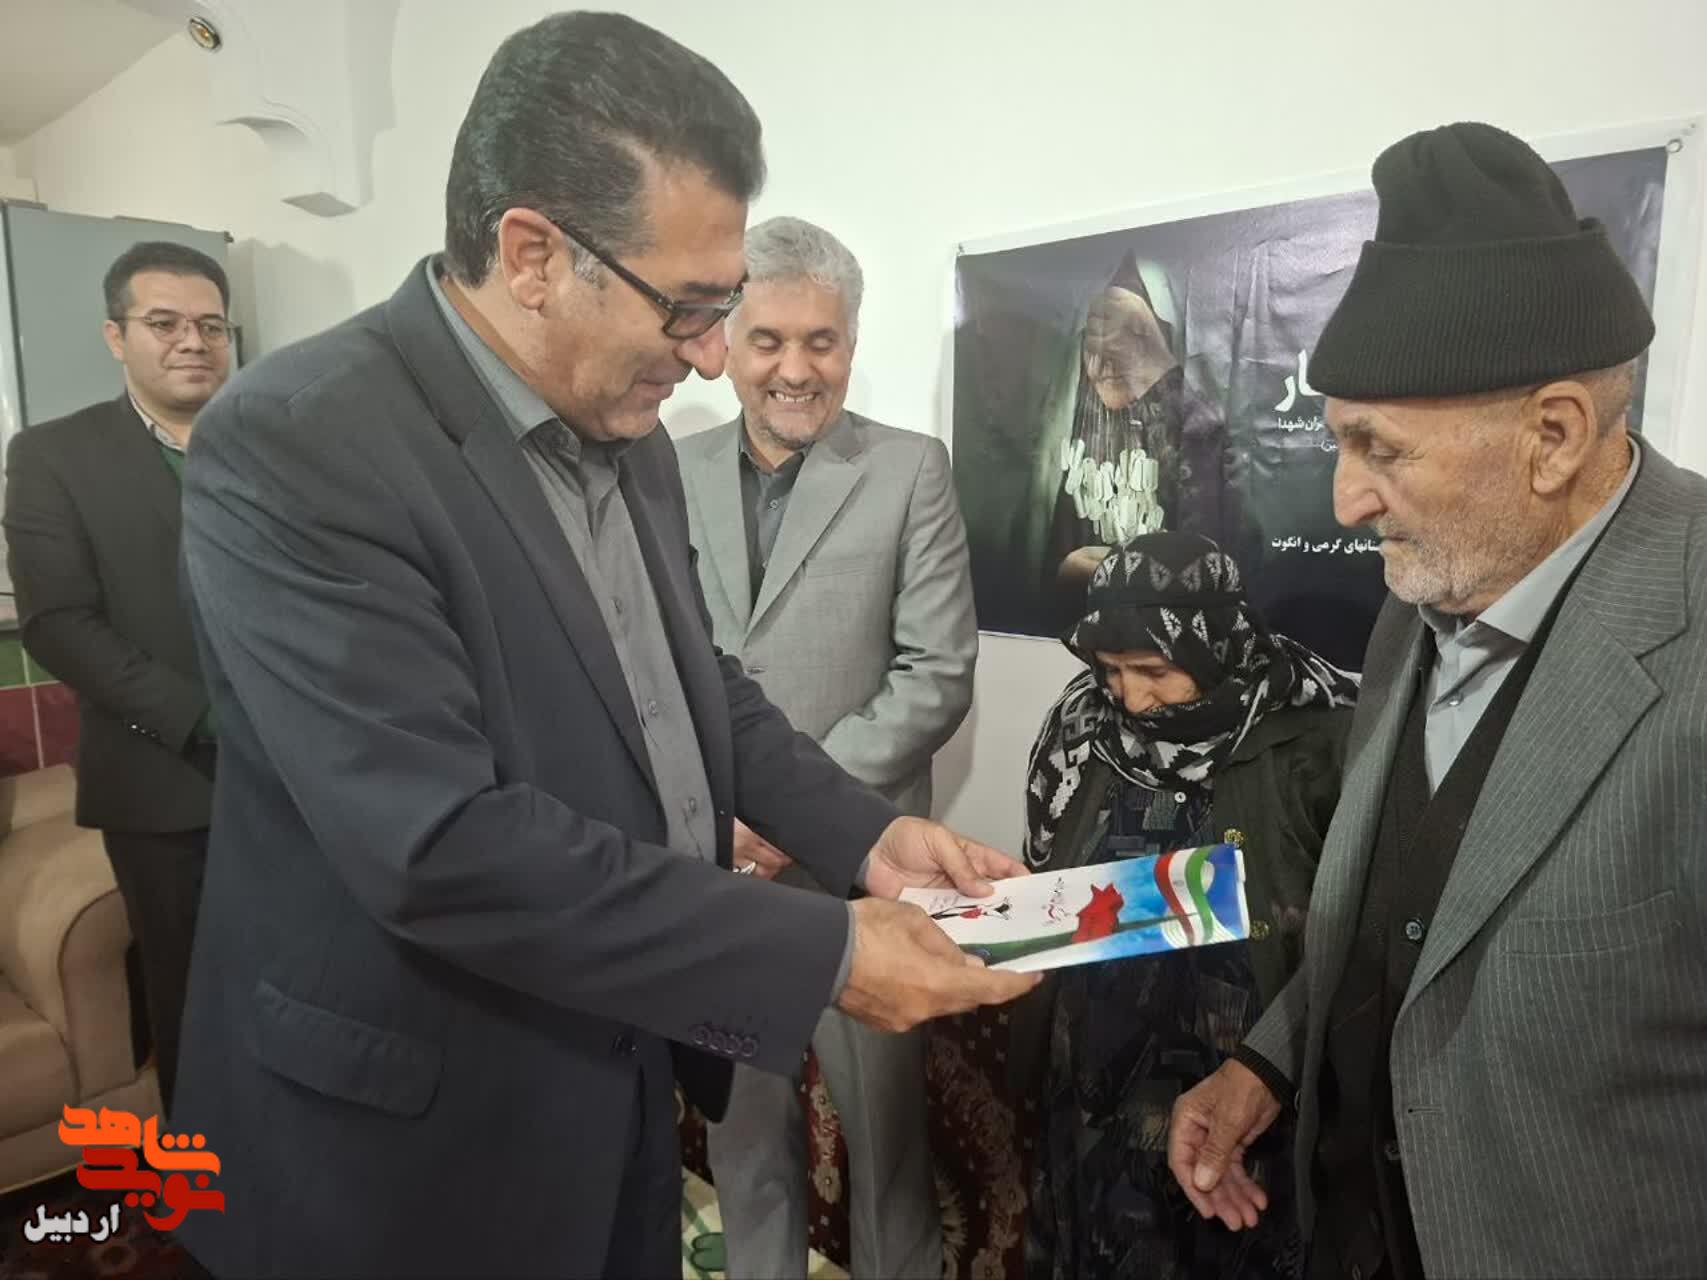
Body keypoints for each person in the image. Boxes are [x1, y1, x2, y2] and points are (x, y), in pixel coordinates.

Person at [169, 15, 1034, 1279]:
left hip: (617, 1076)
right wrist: (830, 951)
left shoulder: (628, 438)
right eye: (690, 309)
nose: (712, 360)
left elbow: (693, 688)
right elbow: (440, 843)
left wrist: (866, 837)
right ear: (533, 254)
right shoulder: (298, 443)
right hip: (410, 1143)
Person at [1168, 122, 1707, 1280]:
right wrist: (1268, 1061)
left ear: (1553, 436)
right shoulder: (1424, 590)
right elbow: (1402, 921)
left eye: (1381, 448)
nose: (1346, 501)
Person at [678, 215, 975, 1279]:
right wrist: (728, 826)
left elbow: (935, 672)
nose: (796, 369)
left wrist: (790, 814)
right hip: (722, 873)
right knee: (743, 1136)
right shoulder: (661, 469)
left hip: (862, 869)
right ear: (727, 337)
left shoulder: (909, 469)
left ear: (852, 341)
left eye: (822, 341)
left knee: (888, 1145)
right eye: (769, 340)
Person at [1017, 530, 1357, 1280]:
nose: (1131, 697)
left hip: (1249, 1094)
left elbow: (1354, 931)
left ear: (1215, 650)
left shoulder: (1320, 738)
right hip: (1097, 1091)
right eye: (1111, 669)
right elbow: (1047, 876)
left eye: (1155, 671)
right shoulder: (1082, 726)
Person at [3, 240, 231, 1114]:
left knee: (311, 982)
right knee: (197, 1000)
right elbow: (59, 624)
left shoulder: (271, 442)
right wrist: (203, 717)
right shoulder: (55, 454)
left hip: (301, 777)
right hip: (166, 783)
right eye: (164, 322)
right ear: (116, 336)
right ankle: (211, 1179)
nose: (192, 341)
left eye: (211, 325)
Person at [1048, 255, 1252, 609]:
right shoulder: (1080, 431)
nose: (1103, 365)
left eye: (1125, 342)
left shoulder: (1197, 432)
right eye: (1093, 347)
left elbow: (1212, 557)